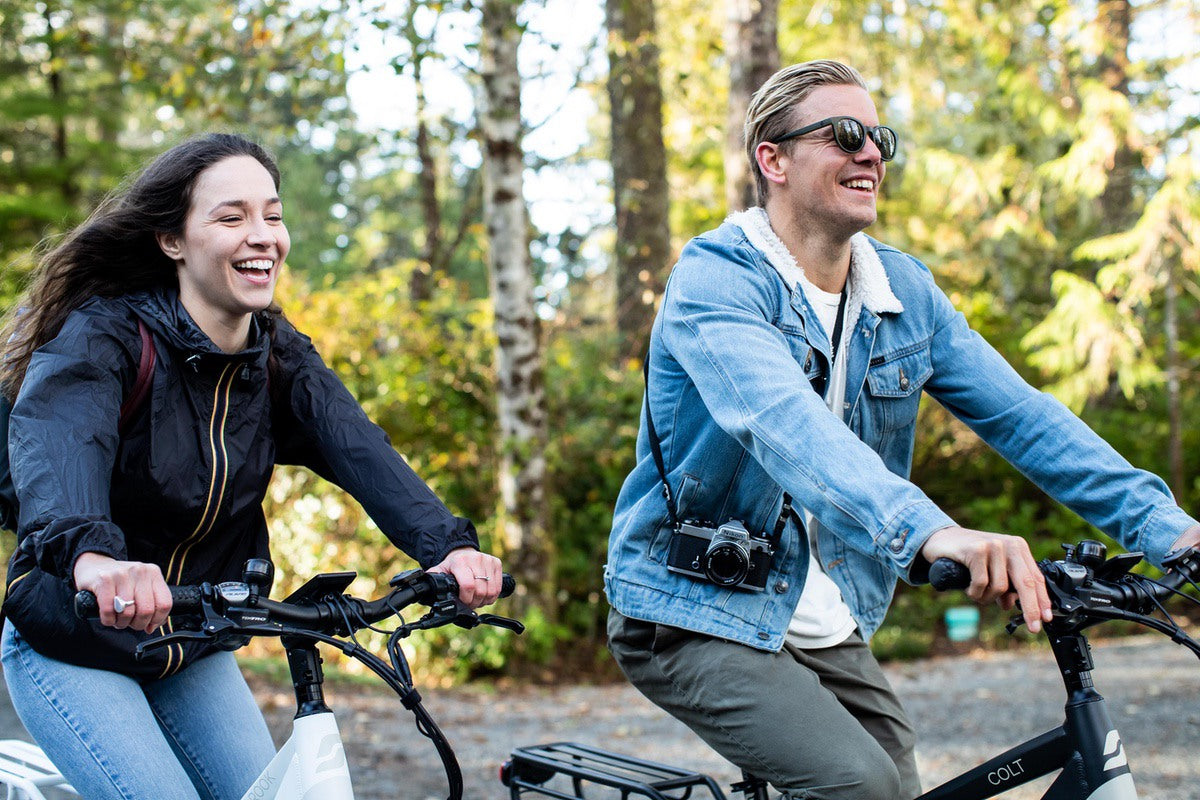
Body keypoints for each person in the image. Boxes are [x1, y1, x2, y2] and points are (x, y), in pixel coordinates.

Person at [604, 60, 1200, 800]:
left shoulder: (902, 293)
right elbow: (781, 422)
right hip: (691, 606)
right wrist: (929, 531)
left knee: (898, 785)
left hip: (823, 613)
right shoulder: (716, 280)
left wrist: (1168, 528)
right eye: (846, 134)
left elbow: (1025, 417)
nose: (871, 153)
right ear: (774, 159)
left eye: (878, 136)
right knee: (859, 786)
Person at [0, 133, 504, 800]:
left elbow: (361, 451)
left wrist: (449, 548)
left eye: (272, 214)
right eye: (231, 217)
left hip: (195, 641)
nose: (262, 235)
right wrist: (93, 558)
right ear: (172, 241)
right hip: (74, 637)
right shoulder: (106, 337)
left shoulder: (275, 356)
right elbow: (61, 445)